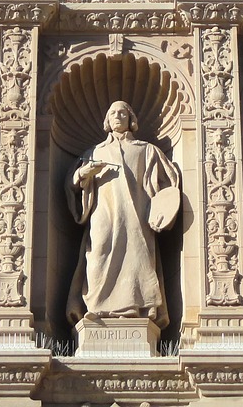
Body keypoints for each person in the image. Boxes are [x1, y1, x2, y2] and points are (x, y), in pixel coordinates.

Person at [67, 101, 181, 328]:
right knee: (97, 254)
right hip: (104, 216)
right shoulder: (94, 152)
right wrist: (82, 174)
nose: (117, 116)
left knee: (137, 259)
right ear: (107, 121)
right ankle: (97, 309)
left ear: (131, 119)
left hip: (136, 217)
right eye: (112, 113)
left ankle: (134, 310)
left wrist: (162, 209)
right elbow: (71, 183)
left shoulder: (146, 150)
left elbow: (170, 184)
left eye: (122, 112)